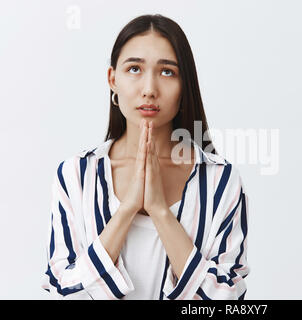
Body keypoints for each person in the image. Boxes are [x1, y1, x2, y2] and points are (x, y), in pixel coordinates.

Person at [41, 14, 250, 300]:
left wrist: (160, 211)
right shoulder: (77, 174)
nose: (149, 89)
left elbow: (226, 299)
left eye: (167, 72)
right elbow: (63, 292)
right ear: (112, 79)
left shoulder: (220, 180)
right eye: (134, 69)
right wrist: (127, 210)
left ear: (183, 85)